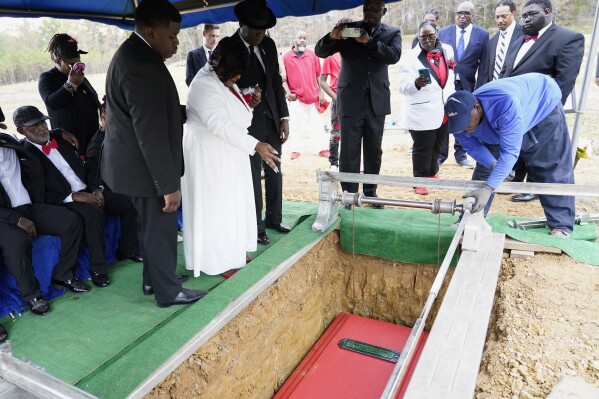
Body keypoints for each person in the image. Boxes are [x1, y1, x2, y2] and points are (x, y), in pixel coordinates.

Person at [101, 0, 207, 307]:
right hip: (143, 167)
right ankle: (168, 291)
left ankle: (154, 279)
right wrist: (168, 185)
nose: (176, 42)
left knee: (150, 227)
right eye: (172, 35)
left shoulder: (136, 54)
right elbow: (150, 132)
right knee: (160, 227)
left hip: (132, 163)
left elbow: (154, 112)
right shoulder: (141, 65)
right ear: (151, 30)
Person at [182, 37, 280, 278]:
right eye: (236, 72)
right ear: (224, 64)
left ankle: (231, 251)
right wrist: (256, 144)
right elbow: (219, 124)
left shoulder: (221, 78)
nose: (238, 78)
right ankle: (218, 260)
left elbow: (232, 113)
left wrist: (250, 104)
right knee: (216, 205)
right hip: (209, 154)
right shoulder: (203, 84)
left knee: (231, 203)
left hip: (228, 150)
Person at [444, 73, 575, 238]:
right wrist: (493, 165)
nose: (464, 130)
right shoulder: (459, 121)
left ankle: (560, 224)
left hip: (542, 104)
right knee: (485, 171)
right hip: (504, 119)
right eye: (459, 126)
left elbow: (510, 153)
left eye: (466, 124)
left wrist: (489, 188)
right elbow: (472, 147)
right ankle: (471, 218)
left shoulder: (504, 103)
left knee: (549, 163)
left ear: (477, 108)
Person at [315, 0, 401, 208]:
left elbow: (394, 56)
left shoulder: (392, 32)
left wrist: (369, 42)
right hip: (350, 98)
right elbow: (320, 52)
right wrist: (331, 37)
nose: (369, 12)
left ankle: (370, 193)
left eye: (375, 9)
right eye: (366, 8)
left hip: (376, 100)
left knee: (374, 149)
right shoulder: (350, 29)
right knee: (349, 150)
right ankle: (349, 195)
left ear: (384, 11)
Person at [500, 0, 584, 203]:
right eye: (523, 16)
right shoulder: (519, 39)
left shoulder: (568, 38)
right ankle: (520, 184)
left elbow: (564, 82)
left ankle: (560, 224)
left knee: (550, 165)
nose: (525, 19)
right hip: (513, 113)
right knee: (514, 154)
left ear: (547, 12)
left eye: (531, 14)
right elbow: (506, 74)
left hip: (542, 115)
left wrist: (543, 112)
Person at [1, 111, 85, 314]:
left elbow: (29, 135)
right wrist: (16, 218)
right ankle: (32, 296)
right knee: (17, 242)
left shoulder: (6, 140)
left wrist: (56, 133)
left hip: (27, 205)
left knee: (71, 220)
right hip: (3, 216)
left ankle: (63, 275)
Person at [18, 106, 110, 288]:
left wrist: (97, 188)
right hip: (64, 199)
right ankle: (98, 268)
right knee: (92, 213)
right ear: (21, 130)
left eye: (43, 122)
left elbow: (88, 167)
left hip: (88, 188)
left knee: (127, 199)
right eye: (35, 125)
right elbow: (40, 195)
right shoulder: (25, 156)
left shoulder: (61, 140)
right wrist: (74, 196)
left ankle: (130, 248)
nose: (43, 128)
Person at [231, 0, 291, 246]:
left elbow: (275, 81)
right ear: (242, 24)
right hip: (246, 125)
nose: (260, 34)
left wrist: (284, 116)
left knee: (275, 169)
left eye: (264, 29)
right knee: (253, 176)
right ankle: (256, 226)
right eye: (256, 29)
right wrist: (245, 91)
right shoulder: (229, 47)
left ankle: (274, 218)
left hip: (272, 119)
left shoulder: (268, 44)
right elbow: (226, 86)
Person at [468, 0, 523, 215]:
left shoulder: (525, 37)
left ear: (513, 14)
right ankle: (476, 214)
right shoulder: (492, 41)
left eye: (504, 16)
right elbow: (485, 73)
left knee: (519, 154)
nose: (500, 20)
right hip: (490, 110)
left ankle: (521, 184)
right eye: (497, 17)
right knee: (487, 158)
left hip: (516, 107)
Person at [398, 21, 455, 196]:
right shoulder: (410, 58)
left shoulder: (448, 50)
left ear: (436, 34)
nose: (427, 40)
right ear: (418, 36)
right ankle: (419, 180)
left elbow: (449, 77)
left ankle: (431, 171)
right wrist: (416, 83)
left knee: (438, 143)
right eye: (423, 37)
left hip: (443, 107)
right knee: (423, 146)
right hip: (421, 111)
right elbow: (402, 87)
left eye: (430, 36)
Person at [86, 97, 142, 263]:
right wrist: (99, 189)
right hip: (105, 189)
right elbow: (92, 172)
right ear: (104, 118)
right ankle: (127, 250)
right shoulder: (97, 144)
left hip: (123, 183)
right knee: (132, 203)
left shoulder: (121, 136)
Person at [437, 1, 489, 169]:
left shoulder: (482, 34)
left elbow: (484, 65)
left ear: (473, 15)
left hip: (468, 85)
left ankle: (461, 155)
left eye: (466, 13)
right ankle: (441, 154)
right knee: (445, 117)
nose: (462, 16)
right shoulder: (444, 33)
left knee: (465, 119)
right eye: (459, 13)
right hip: (446, 85)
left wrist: (479, 90)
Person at [38, 34, 101, 155]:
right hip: (71, 143)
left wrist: (101, 109)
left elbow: (93, 98)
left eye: (79, 64)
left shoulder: (80, 77)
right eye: (72, 65)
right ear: (58, 61)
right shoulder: (47, 78)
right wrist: (70, 84)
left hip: (92, 141)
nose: (77, 69)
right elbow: (52, 102)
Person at [282, 30, 327, 160]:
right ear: (294, 38)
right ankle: (296, 150)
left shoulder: (312, 55)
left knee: (318, 124)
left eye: (304, 38)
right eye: (299, 37)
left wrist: (321, 94)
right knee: (296, 125)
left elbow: (319, 76)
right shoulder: (286, 57)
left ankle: (322, 148)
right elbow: (283, 79)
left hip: (313, 96)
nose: (302, 40)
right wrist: (288, 94)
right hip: (296, 98)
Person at [319, 52, 342, 170]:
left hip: (355, 100)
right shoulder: (330, 56)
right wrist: (335, 97)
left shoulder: (353, 52)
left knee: (354, 132)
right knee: (336, 132)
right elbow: (322, 80)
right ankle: (334, 163)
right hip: (338, 99)